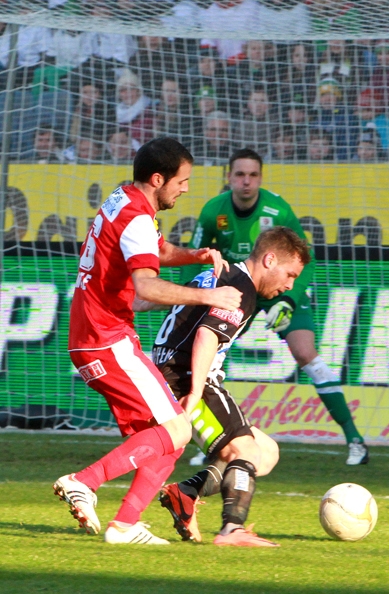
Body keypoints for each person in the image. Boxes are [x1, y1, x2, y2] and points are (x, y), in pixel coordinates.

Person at [53, 137, 242, 545]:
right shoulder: (138, 219)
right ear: (158, 179)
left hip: (92, 338)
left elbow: (156, 251)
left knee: (168, 438)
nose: (186, 188)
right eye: (182, 180)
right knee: (178, 429)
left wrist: (197, 255)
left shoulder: (124, 198)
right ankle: (83, 481)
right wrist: (210, 295)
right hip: (108, 339)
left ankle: (125, 525)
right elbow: (146, 285)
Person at [181, 148, 369, 466]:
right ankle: (213, 443)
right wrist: (191, 295)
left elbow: (304, 262)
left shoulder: (278, 210)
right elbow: (195, 256)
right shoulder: (214, 211)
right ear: (228, 178)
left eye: (253, 175)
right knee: (207, 359)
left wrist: (287, 299)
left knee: (306, 354)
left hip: (279, 290)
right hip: (240, 289)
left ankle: (355, 440)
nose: (246, 182)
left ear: (260, 178)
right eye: (240, 175)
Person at [153, 226, 309, 547]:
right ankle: (231, 530)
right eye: (289, 274)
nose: (290, 285)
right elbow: (207, 334)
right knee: (245, 450)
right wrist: (195, 392)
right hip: (185, 378)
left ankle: (186, 493)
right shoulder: (242, 288)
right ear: (269, 259)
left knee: (265, 453)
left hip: (170, 371)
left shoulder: (221, 274)